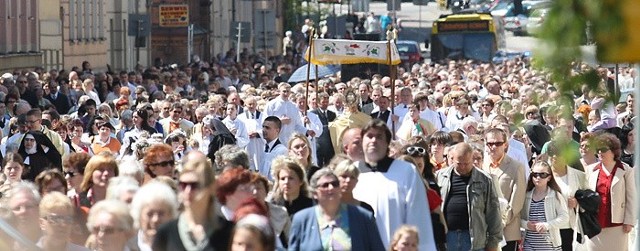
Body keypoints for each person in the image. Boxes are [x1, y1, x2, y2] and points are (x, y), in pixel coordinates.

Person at [353, 119, 436, 250]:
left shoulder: (406, 171)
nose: (373, 140)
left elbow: (419, 218)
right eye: (369, 136)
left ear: (387, 143)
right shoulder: (352, 173)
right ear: (362, 141)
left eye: (379, 136)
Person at [153, 151, 234, 251]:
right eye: (183, 185)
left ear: (211, 188)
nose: (188, 191)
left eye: (194, 185)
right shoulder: (166, 233)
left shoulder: (230, 232)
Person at [288, 168, 385, 251]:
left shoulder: (363, 217)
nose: (331, 188)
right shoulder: (301, 220)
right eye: (325, 185)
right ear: (314, 193)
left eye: (334, 184)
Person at [436, 143, 503, 251]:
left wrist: (493, 242)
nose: (462, 167)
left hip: (473, 239)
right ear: (452, 159)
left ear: (472, 159)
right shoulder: (440, 176)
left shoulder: (484, 180)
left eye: (466, 164)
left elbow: (493, 212)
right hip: (447, 238)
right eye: (459, 163)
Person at [584, 133, 636, 251]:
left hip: (617, 225)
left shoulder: (625, 170)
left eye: (603, 149)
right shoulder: (590, 170)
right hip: (595, 225)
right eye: (598, 150)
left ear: (613, 151)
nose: (600, 153)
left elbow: (631, 197)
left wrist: (629, 221)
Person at [482, 128, 526, 251]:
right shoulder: (482, 166)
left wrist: (499, 224)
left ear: (505, 145)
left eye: (498, 143)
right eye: (490, 144)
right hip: (486, 231)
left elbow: (517, 203)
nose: (493, 147)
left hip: (508, 231)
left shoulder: (517, 167)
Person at [546, 141, 589, 251]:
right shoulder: (541, 175)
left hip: (570, 227)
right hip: (548, 228)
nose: (555, 156)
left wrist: (577, 203)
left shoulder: (579, 176)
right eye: (551, 153)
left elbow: (590, 200)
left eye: (559, 153)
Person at [520, 161, 569, 250]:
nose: (538, 178)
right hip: (528, 244)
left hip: (550, 245)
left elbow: (564, 217)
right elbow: (518, 218)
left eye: (542, 175)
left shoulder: (555, 195)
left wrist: (547, 225)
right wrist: (527, 224)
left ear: (549, 178)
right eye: (535, 174)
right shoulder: (526, 196)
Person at [130, 181, 179, 251]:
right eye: (150, 214)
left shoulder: (181, 245)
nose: (155, 219)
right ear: (138, 216)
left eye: (161, 213)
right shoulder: (127, 246)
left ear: (171, 215)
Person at [260, 116, 288, 180]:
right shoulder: (265, 148)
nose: (263, 130)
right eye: (263, 127)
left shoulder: (282, 151)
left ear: (277, 130)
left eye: (267, 128)